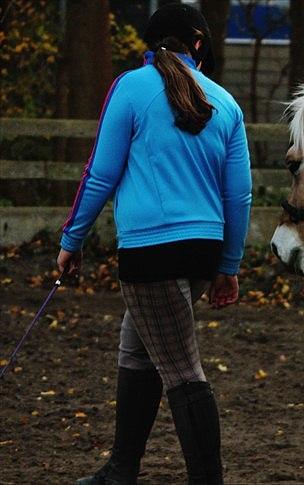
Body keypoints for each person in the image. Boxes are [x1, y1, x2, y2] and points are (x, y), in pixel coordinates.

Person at [57, 4, 252, 484]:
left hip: (151, 253)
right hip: (203, 253)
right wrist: (229, 265)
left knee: (184, 371)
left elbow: (100, 175)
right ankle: (121, 469)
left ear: (148, 45)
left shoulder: (130, 88)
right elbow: (239, 195)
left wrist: (71, 240)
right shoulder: (227, 104)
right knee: (137, 348)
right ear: (198, 46)